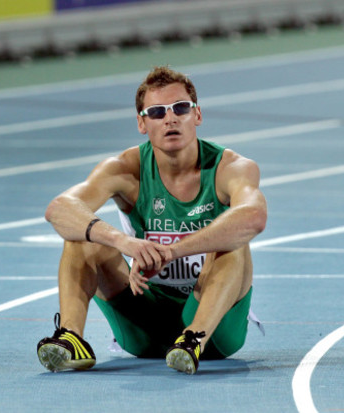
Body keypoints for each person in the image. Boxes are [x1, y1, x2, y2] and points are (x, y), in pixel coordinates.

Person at [37, 65, 267, 374]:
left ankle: (192, 338)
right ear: (142, 123)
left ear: (197, 115)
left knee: (234, 242)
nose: (170, 118)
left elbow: (254, 216)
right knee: (82, 236)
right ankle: (71, 338)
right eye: (157, 112)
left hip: (213, 327)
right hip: (146, 316)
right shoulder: (124, 169)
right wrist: (124, 242)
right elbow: (60, 208)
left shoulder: (231, 167)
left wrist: (172, 251)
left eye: (181, 108)